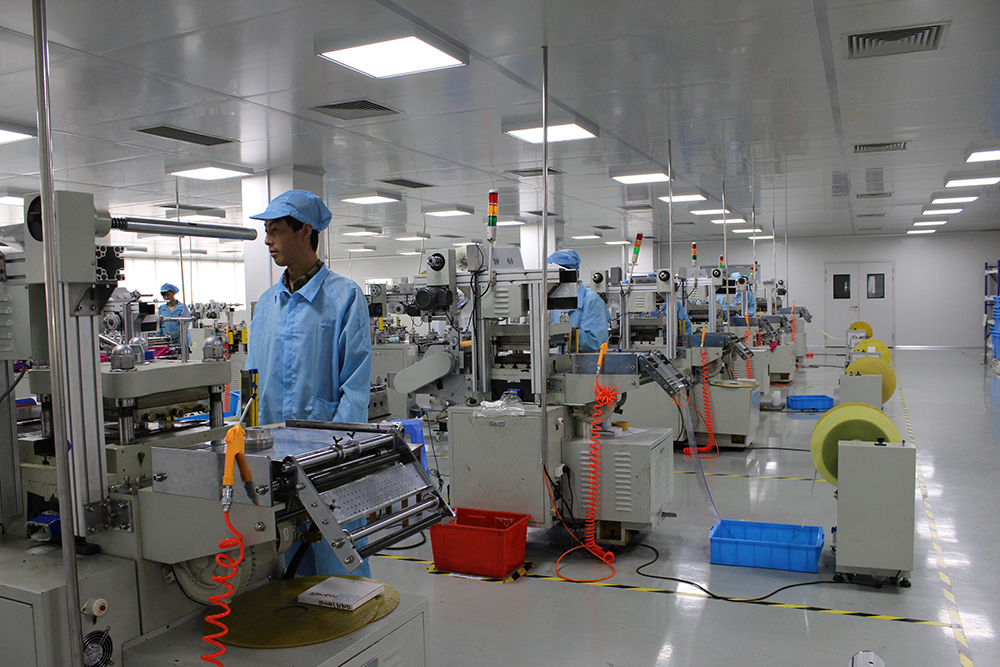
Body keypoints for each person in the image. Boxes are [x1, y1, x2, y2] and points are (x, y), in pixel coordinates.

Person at [245, 189, 373, 578]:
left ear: (305, 231)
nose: (267, 241)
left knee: (337, 564)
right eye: (266, 232)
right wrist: (245, 440)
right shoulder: (267, 303)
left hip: (327, 455)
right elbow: (252, 379)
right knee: (282, 563)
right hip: (272, 457)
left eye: (275, 230)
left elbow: (355, 384)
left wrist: (338, 451)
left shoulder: (344, 297)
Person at [547, 249, 609, 353]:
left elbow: (596, 343)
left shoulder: (591, 300)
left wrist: (566, 333)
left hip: (583, 361)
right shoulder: (551, 299)